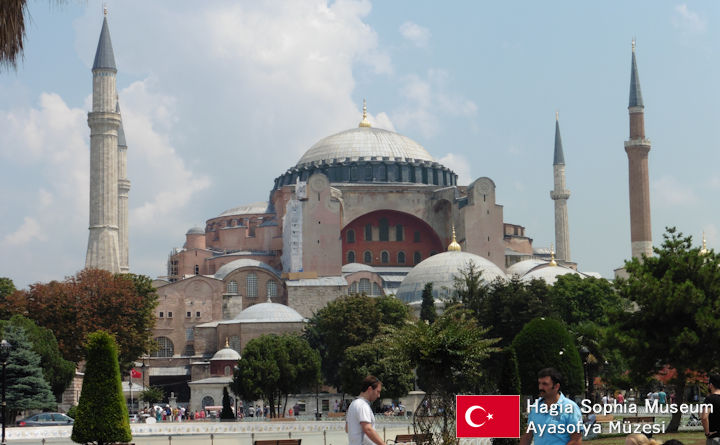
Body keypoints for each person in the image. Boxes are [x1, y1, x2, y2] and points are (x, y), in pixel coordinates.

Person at [520, 367, 582, 445]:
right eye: (539, 383)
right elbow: (527, 436)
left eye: (545, 384)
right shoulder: (535, 407)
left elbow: (576, 440)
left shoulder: (570, 408)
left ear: (556, 386)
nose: (540, 387)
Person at [346, 375, 384, 445]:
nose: (379, 395)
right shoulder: (363, 406)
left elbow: (347, 428)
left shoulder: (352, 404)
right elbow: (368, 429)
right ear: (370, 389)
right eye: (377, 391)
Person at [701, 373, 720, 445]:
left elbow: (704, 417)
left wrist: (707, 433)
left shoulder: (710, 399)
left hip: (715, 437)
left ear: (711, 385)